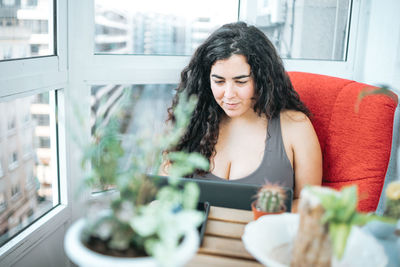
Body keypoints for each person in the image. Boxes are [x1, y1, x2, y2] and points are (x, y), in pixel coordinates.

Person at [161, 22, 322, 212]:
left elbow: (311, 205)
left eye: (241, 81)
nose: (229, 94)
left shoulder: (296, 127)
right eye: (219, 81)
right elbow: (163, 190)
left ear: (263, 79)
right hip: (195, 239)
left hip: (263, 238)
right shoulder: (191, 121)